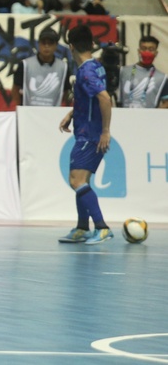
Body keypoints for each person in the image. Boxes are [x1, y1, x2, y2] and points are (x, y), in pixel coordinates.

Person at [58, 24, 113, 245]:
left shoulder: (86, 71)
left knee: (76, 180)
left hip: (89, 135)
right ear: (92, 44)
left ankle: (102, 227)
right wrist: (71, 113)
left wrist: (105, 131)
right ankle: (82, 227)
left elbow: (104, 98)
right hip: (86, 131)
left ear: (70, 46)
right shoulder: (96, 67)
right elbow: (90, 98)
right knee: (83, 180)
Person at [11, 27, 71, 107]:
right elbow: (15, 89)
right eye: (43, 42)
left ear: (56, 45)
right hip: (29, 114)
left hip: (53, 115)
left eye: (50, 43)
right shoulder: (25, 65)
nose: (46, 46)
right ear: (38, 44)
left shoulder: (64, 67)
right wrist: (20, 109)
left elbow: (66, 92)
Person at [118, 35, 168, 109]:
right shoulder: (123, 71)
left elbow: (166, 102)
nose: (147, 52)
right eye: (144, 48)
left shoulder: (162, 78)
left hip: (149, 119)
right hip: (124, 117)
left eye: (151, 49)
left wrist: (155, 114)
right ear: (139, 51)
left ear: (156, 53)